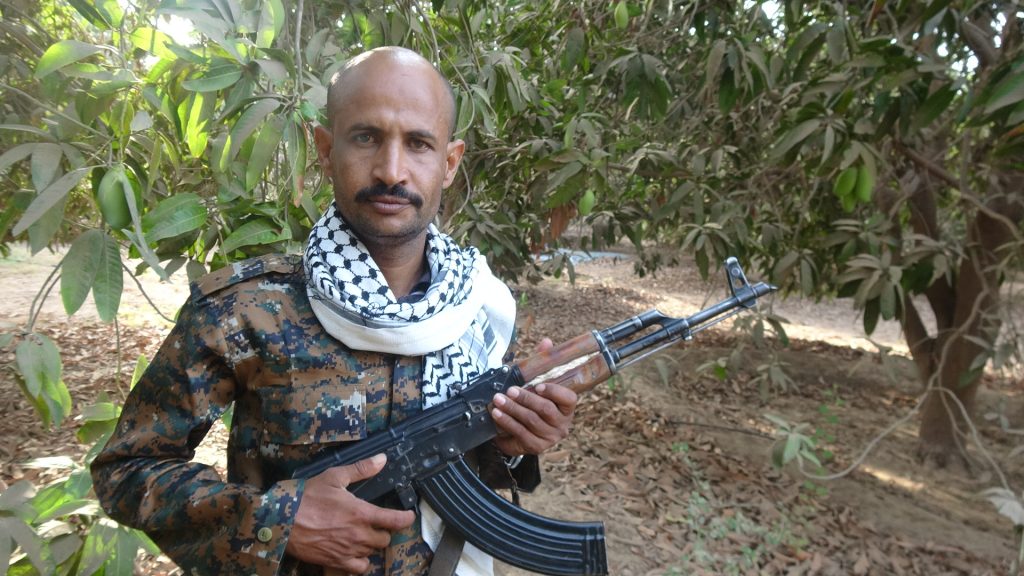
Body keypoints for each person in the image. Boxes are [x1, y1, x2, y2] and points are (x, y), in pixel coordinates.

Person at [91, 46, 578, 576]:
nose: (391, 171)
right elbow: (126, 470)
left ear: (449, 163)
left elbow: (471, 467)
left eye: (418, 143)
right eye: (366, 137)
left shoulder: (479, 307)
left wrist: (509, 444)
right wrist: (277, 521)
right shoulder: (244, 309)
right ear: (325, 150)